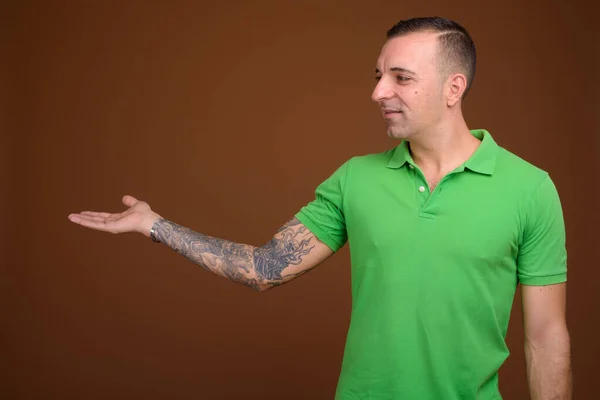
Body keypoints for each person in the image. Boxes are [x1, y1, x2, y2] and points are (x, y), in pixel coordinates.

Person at [68, 16, 572, 400]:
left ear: (453, 88)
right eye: (378, 75)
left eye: (400, 77)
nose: (378, 92)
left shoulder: (529, 189)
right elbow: (263, 268)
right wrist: (154, 224)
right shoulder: (355, 179)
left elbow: (546, 337)